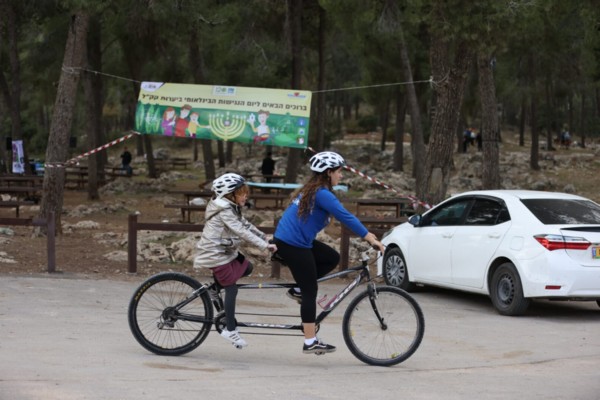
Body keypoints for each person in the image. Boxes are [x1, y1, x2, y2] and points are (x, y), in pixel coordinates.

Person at [273, 151, 385, 355]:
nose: (341, 176)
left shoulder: (314, 189)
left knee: (332, 258)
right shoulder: (322, 193)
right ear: (328, 172)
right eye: (339, 171)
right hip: (292, 244)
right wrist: (369, 237)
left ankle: (298, 289)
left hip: (295, 241)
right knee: (310, 291)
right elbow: (345, 216)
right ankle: (310, 341)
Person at [194, 173, 277, 348]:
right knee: (231, 287)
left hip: (226, 251)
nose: (245, 196)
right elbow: (240, 231)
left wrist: (264, 237)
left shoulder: (230, 207)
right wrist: (264, 246)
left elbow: (245, 224)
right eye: (242, 193)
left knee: (247, 267)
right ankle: (230, 330)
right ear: (229, 195)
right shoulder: (224, 210)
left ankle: (215, 289)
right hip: (215, 254)